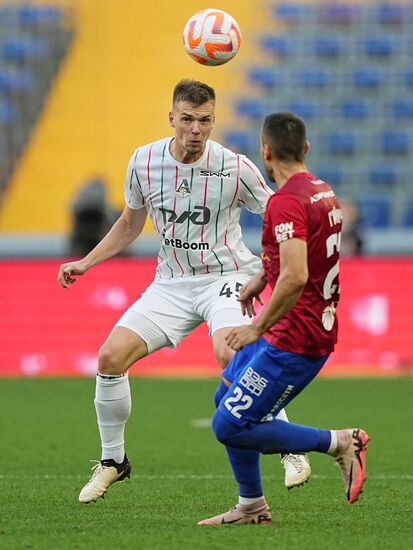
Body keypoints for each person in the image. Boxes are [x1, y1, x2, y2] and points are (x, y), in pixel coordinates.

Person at [57, 80, 310, 505]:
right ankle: (113, 462)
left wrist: (269, 269)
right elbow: (130, 225)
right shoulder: (144, 161)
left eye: (205, 120)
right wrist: (86, 261)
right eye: (188, 119)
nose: (196, 128)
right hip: (170, 283)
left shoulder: (235, 167)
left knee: (231, 353)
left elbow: (278, 215)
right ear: (171, 117)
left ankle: (288, 446)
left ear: (214, 120)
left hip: (226, 276)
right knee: (110, 357)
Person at [198, 112, 370, 526]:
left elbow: (296, 275)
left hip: (293, 338)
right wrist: (262, 277)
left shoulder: (285, 201)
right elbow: (300, 256)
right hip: (296, 327)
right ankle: (251, 506)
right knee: (224, 399)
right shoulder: (322, 191)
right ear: (305, 149)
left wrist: (255, 326)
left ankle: (341, 443)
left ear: (266, 151)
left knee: (229, 425)